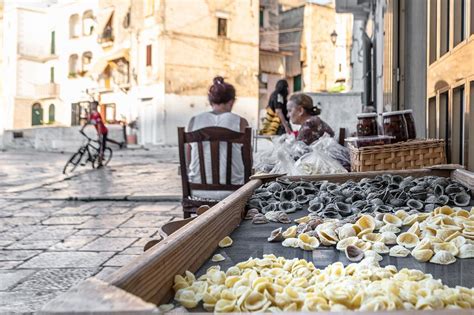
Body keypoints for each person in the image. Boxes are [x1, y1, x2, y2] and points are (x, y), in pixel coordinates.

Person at [186, 76, 249, 200]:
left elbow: (188, 160)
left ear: (210, 101)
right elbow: (247, 160)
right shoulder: (241, 122)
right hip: (233, 192)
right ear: (231, 101)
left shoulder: (193, 121)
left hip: (197, 191)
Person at [80, 101, 123, 167]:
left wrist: (100, 134)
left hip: (103, 131)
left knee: (101, 147)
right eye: (91, 105)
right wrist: (82, 129)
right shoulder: (91, 114)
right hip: (99, 132)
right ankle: (119, 143)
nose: (92, 106)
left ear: (96, 106)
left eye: (93, 105)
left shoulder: (97, 114)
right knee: (105, 140)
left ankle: (100, 163)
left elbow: (99, 125)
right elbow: (88, 122)